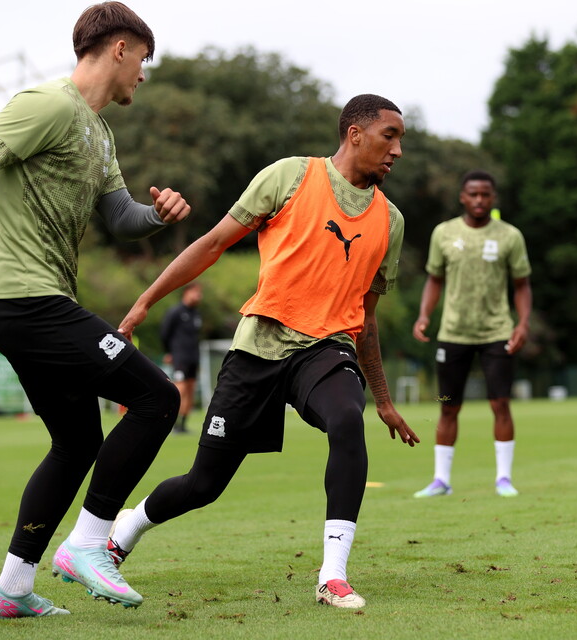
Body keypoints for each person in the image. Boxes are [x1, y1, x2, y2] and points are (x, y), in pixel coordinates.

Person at [0, 2, 191, 620]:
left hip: (37, 305)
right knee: (158, 398)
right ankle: (88, 544)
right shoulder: (48, 103)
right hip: (26, 301)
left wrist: (157, 215)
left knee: (78, 443)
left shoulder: (100, 132)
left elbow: (120, 217)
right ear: (119, 48)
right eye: (143, 59)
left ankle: (11, 588)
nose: (143, 74)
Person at [108, 93, 419, 610]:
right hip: (260, 347)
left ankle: (333, 576)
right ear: (355, 134)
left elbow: (366, 319)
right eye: (390, 136)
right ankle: (126, 529)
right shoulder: (289, 176)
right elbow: (212, 244)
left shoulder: (391, 221)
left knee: (348, 419)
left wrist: (383, 399)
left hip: (326, 348)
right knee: (204, 484)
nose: (398, 150)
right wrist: (144, 302)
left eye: (401, 140)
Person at [412, 170, 532, 499]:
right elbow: (434, 279)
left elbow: (522, 285)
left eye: (485, 194)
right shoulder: (444, 233)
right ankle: (441, 480)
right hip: (454, 332)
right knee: (447, 406)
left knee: (500, 403)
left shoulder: (510, 236)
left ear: (493, 198)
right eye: (473, 194)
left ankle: (504, 478)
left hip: (497, 331)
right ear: (462, 197)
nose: (479, 200)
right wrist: (424, 315)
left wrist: (522, 323)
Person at [160, 282, 203, 433]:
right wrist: (169, 352)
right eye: (196, 292)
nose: (199, 296)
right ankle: (170, 421)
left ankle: (182, 425)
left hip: (193, 357)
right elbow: (165, 333)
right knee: (180, 388)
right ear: (187, 292)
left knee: (191, 389)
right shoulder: (175, 312)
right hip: (180, 356)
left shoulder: (196, 314)